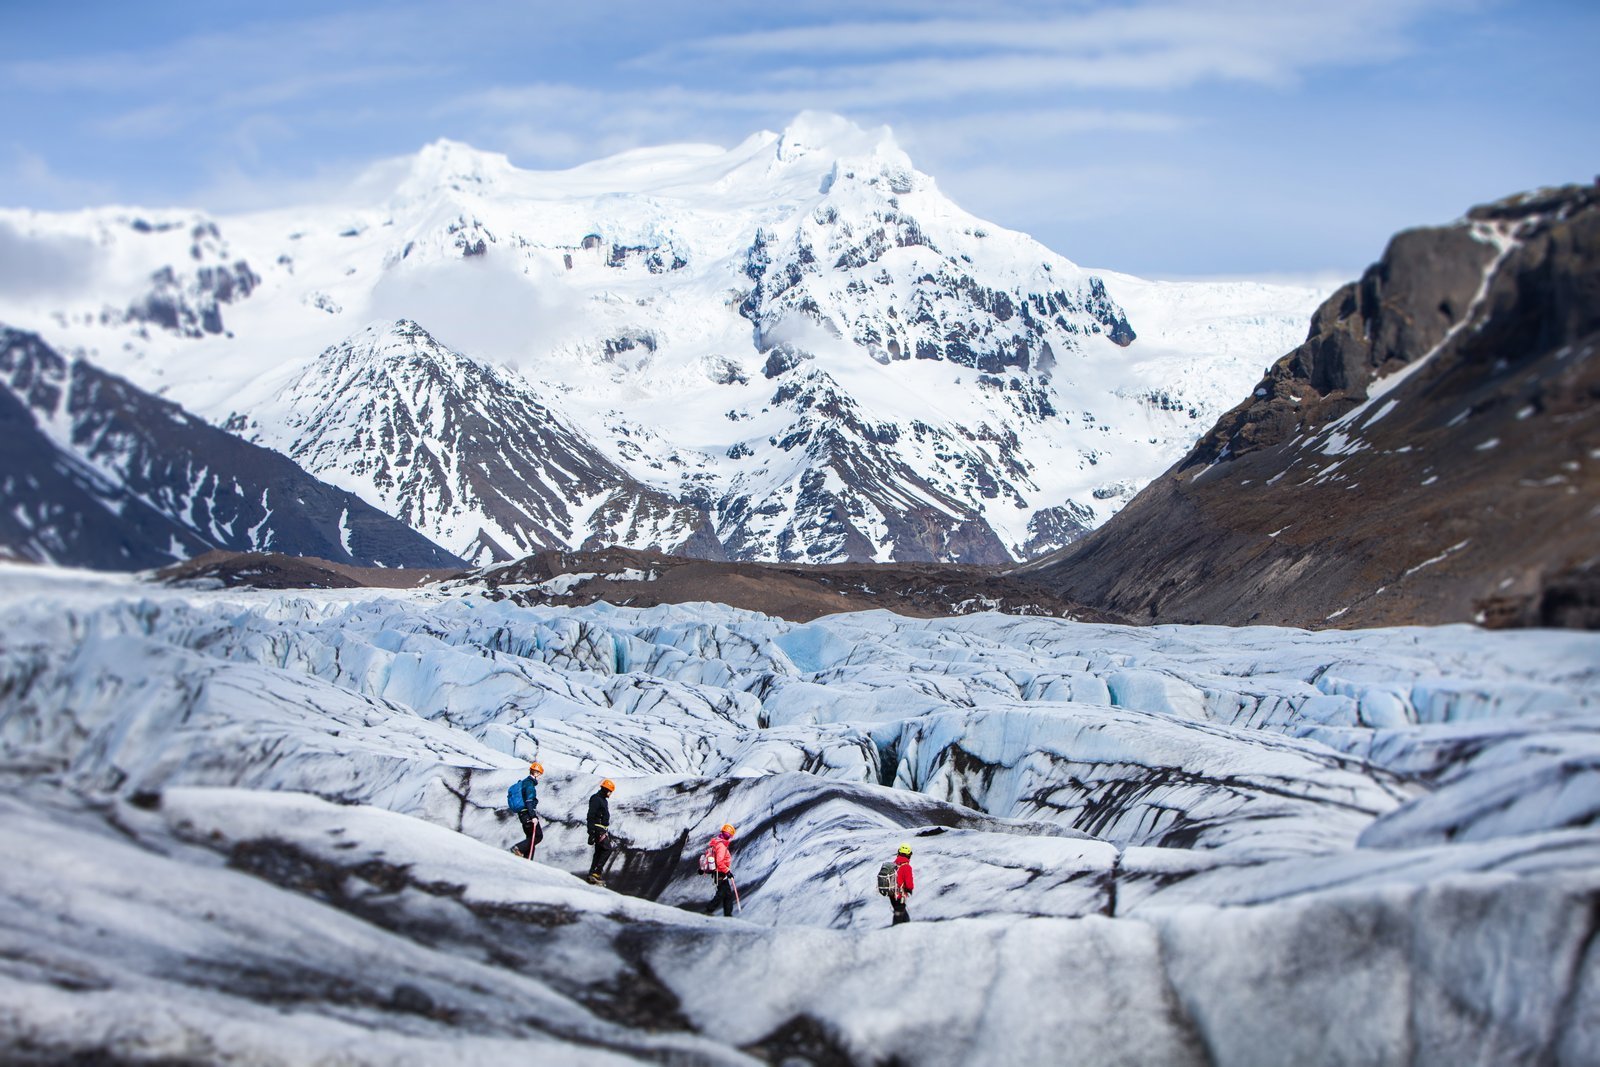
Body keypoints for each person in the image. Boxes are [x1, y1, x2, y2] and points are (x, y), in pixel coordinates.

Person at [509, 761, 544, 860]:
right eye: (540, 774)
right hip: (527, 814)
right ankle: (518, 848)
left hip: (522, 814)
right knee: (538, 836)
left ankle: (527, 859)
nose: (540, 777)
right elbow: (529, 801)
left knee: (530, 837)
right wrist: (533, 816)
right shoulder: (529, 785)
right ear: (536, 773)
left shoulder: (524, 782)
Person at [586, 779, 616, 885]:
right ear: (605, 790)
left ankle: (592, 875)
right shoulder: (596, 799)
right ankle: (596, 872)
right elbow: (591, 815)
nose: (610, 794)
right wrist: (591, 831)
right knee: (607, 848)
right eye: (610, 791)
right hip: (597, 829)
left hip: (601, 829)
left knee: (599, 852)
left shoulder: (603, 800)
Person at [706, 823, 737, 916]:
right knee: (722, 892)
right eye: (728, 835)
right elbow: (719, 861)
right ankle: (709, 909)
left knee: (727, 894)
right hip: (720, 873)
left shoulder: (717, 843)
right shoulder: (722, 846)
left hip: (717, 872)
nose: (729, 836)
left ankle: (728, 914)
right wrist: (727, 871)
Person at [889, 843, 914, 925]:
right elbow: (909, 884)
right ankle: (895, 933)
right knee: (899, 914)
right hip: (899, 895)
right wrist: (910, 889)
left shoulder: (894, 864)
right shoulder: (906, 867)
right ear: (909, 855)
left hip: (892, 894)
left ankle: (905, 930)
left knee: (901, 913)